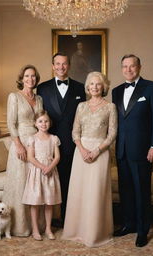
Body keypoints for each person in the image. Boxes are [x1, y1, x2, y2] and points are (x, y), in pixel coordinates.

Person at [112, 54, 153, 247]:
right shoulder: (116, 91)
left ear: (140, 67)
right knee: (126, 191)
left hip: (143, 150)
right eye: (125, 66)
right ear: (121, 69)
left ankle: (143, 230)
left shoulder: (151, 88)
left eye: (132, 66)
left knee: (142, 190)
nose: (128, 70)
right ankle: (129, 224)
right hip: (122, 150)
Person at [62, 71, 117, 247]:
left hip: (100, 153)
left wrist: (96, 151)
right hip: (81, 153)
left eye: (98, 84)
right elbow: (75, 131)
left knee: (96, 192)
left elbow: (112, 134)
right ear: (87, 87)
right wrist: (82, 149)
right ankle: (77, 230)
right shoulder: (81, 106)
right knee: (80, 191)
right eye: (91, 84)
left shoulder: (110, 107)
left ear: (104, 87)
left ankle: (95, 233)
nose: (94, 87)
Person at [37, 52, 86, 225]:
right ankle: (49, 220)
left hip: (73, 143)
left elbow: (84, 117)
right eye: (57, 64)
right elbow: (39, 116)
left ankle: (68, 217)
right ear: (52, 66)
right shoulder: (42, 88)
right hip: (49, 143)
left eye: (64, 64)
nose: (61, 67)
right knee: (48, 180)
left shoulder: (81, 88)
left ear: (69, 66)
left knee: (69, 180)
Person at [2, 64, 43, 237]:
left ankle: (36, 225)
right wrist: (18, 145)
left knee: (34, 184)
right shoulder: (14, 97)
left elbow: (42, 120)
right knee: (20, 184)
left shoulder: (39, 98)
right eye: (27, 76)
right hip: (20, 143)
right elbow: (11, 123)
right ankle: (19, 226)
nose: (30, 79)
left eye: (33, 76)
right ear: (21, 78)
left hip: (37, 143)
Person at [22, 111, 61, 241]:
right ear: (35, 123)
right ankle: (35, 230)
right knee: (35, 202)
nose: (43, 124)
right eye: (40, 121)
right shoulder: (32, 139)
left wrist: (50, 167)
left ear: (50, 123)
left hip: (50, 172)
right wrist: (43, 167)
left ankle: (48, 229)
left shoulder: (54, 138)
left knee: (49, 202)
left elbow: (57, 157)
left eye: (46, 121)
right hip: (37, 172)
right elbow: (30, 157)